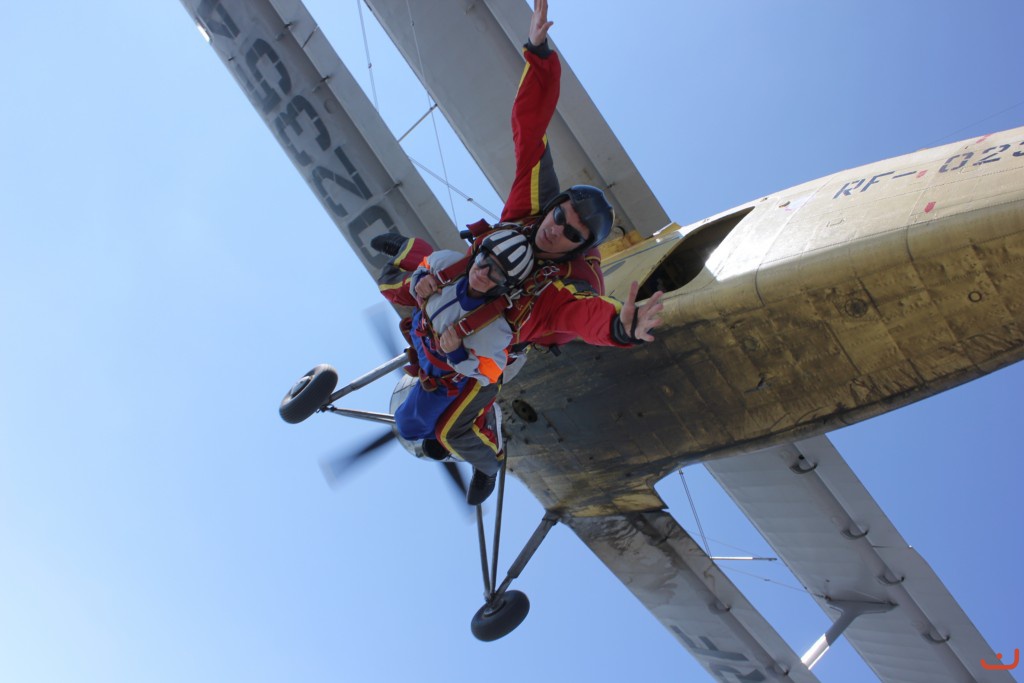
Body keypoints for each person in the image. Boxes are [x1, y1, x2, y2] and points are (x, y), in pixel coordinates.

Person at [381, 230, 534, 505]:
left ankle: (489, 464)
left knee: (418, 426)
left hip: (448, 373)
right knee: (390, 286)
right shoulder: (449, 264)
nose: (483, 273)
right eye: (485, 261)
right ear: (477, 254)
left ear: (503, 286)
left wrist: (457, 353)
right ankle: (406, 247)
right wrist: (421, 279)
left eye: (496, 274)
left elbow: (490, 374)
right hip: (423, 334)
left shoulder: (493, 332)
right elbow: (428, 264)